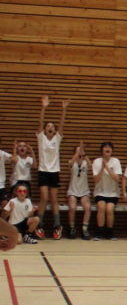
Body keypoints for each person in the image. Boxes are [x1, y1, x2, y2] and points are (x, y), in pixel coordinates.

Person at [36, 95, 68, 237]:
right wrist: (44, 107)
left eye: (52, 127)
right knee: (44, 198)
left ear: (55, 131)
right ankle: (39, 224)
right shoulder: (41, 138)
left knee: (54, 199)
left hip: (54, 171)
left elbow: (61, 125)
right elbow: (40, 122)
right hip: (43, 171)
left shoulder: (57, 138)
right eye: (48, 126)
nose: (50, 127)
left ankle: (57, 226)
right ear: (44, 129)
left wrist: (64, 109)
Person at [91, 142, 122, 238]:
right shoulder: (96, 161)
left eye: (109, 147)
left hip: (113, 193)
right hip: (100, 192)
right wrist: (102, 168)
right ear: (102, 150)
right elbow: (95, 180)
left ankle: (110, 232)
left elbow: (117, 178)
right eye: (105, 147)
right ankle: (99, 232)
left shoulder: (116, 161)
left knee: (109, 209)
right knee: (101, 207)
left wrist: (107, 168)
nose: (107, 149)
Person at [65, 141, 91, 239]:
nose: (80, 153)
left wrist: (84, 154)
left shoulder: (85, 163)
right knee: (72, 207)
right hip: (73, 190)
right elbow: (71, 163)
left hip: (84, 191)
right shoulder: (72, 162)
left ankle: (85, 229)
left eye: (81, 151)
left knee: (87, 207)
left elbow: (91, 166)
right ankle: (72, 228)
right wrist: (77, 153)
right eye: (78, 151)